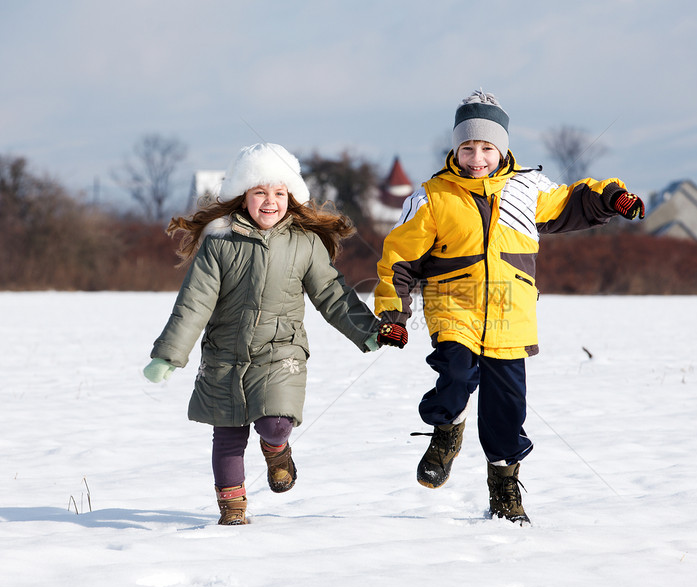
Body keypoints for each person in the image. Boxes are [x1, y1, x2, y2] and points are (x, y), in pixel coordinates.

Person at [374, 90, 644, 524]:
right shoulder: (431, 197)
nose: (476, 157)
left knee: (507, 409)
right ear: (455, 149)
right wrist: (393, 315)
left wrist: (612, 198)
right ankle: (446, 433)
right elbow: (398, 261)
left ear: (501, 149)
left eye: (486, 147)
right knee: (457, 374)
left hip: (510, 315)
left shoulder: (527, 188)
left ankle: (503, 491)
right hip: (453, 307)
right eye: (467, 147)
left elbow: (573, 200)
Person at [143, 142, 380, 525]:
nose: (270, 202)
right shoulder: (219, 242)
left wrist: (367, 331)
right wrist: (168, 354)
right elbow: (195, 302)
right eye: (260, 192)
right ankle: (233, 509)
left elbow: (332, 294)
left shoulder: (304, 243)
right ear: (243, 196)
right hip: (224, 355)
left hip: (280, 352)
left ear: (291, 197)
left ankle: (277, 449)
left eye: (279, 193)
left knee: (275, 420)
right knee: (228, 438)